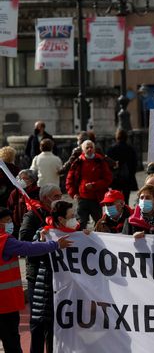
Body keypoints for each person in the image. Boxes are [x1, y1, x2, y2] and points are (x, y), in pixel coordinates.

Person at [0, 206, 73, 353]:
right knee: (11, 342)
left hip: (5, 303)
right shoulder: (5, 241)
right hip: (5, 304)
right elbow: (28, 248)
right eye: (7, 221)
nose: (11, 224)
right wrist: (56, 244)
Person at [31, 200, 86, 353]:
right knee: (40, 333)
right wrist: (41, 242)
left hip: (69, 294)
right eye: (71, 215)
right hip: (46, 291)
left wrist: (90, 238)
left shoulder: (79, 233)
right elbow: (31, 258)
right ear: (61, 219)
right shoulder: (44, 232)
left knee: (61, 337)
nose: (75, 219)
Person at [65, 139, 113, 228]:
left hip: (96, 198)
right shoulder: (78, 162)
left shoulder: (100, 161)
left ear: (94, 149)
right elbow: (69, 180)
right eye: (87, 148)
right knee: (81, 223)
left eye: (91, 147)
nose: (90, 149)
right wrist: (73, 193)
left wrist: (94, 185)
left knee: (99, 223)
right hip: (82, 198)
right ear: (83, 150)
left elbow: (108, 179)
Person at [105, 128, 139, 203]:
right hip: (127, 177)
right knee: (126, 199)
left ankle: (118, 212)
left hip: (115, 178)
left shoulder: (111, 149)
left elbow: (107, 164)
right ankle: (126, 212)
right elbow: (135, 164)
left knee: (116, 198)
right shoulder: (130, 149)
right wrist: (131, 173)